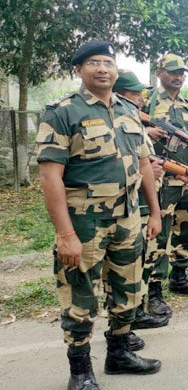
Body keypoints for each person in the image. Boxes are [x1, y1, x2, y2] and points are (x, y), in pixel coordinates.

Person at [36, 40, 162, 390]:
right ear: (79, 69)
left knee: (130, 291)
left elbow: (143, 165)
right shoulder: (62, 112)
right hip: (84, 225)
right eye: (94, 62)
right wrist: (65, 234)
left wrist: (153, 212)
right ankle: (80, 373)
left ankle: (119, 353)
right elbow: (50, 176)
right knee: (81, 300)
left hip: (128, 219)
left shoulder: (128, 110)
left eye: (109, 62)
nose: (103, 68)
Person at [143, 54, 188, 309]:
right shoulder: (147, 101)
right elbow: (124, 128)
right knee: (160, 235)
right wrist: (147, 130)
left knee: (186, 230)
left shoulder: (187, 105)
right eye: (173, 72)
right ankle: (153, 290)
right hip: (163, 182)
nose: (178, 77)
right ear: (160, 72)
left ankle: (179, 276)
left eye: (182, 73)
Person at [112, 70, 169, 331]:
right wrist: (145, 172)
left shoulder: (135, 123)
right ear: (119, 94)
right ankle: (124, 322)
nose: (142, 99)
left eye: (142, 94)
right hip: (124, 206)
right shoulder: (116, 122)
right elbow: (115, 166)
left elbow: (143, 160)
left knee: (142, 259)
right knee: (126, 266)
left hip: (143, 203)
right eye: (135, 94)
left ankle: (136, 310)